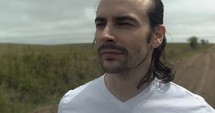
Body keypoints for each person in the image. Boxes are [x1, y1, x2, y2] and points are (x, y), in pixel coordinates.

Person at [58, 0, 215, 113]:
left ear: (157, 36)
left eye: (124, 23)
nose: (105, 35)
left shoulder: (195, 109)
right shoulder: (71, 104)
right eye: (100, 24)